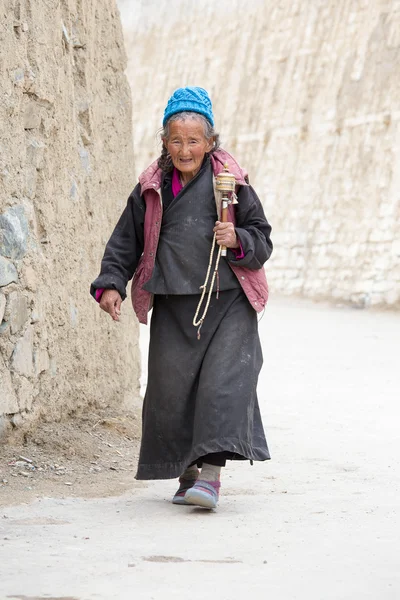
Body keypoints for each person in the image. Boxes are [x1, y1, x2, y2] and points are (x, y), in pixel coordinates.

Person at [90, 86, 273, 509]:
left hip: (228, 302)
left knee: (222, 387)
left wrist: (238, 237)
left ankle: (210, 476)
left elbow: (262, 238)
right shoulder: (152, 187)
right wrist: (112, 283)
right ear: (164, 142)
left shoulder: (232, 184)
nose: (185, 149)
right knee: (171, 392)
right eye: (176, 139)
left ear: (211, 143)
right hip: (173, 301)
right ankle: (185, 470)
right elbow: (126, 240)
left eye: (194, 140)